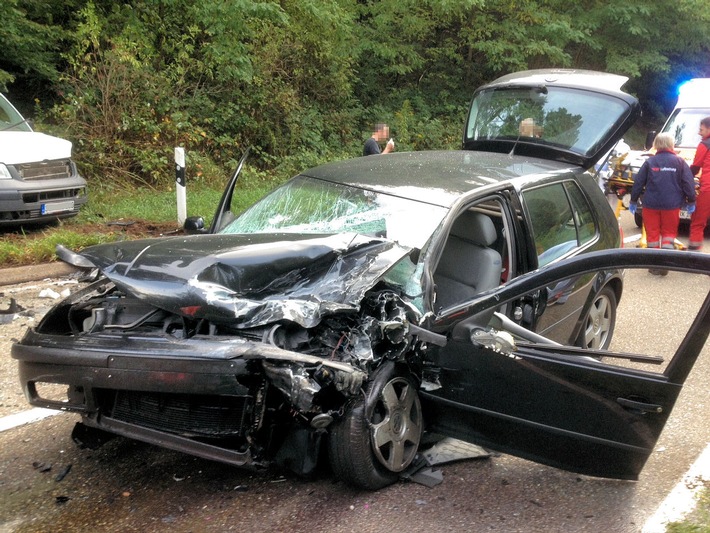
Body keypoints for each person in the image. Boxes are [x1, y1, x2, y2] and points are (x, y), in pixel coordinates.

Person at [629, 132, 696, 275]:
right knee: (668, 235)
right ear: (672, 144)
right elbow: (688, 183)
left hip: (651, 205)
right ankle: (665, 263)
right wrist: (691, 200)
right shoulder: (680, 162)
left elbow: (638, 183)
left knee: (652, 236)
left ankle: (654, 266)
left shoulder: (650, 162)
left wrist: (633, 200)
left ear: (656, 145)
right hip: (671, 206)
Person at [688, 116, 710, 250]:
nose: (699, 132)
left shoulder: (705, 145)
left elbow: (696, 167)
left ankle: (693, 253)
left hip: (708, 188)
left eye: (701, 129)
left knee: (698, 221)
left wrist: (684, 178)